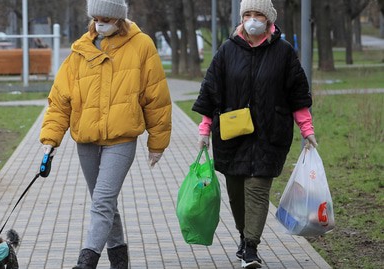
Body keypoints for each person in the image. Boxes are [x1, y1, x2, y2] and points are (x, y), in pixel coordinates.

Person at [39, 0, 172, 268]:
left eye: (106, 18)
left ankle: (86, 262)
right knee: (105, 204)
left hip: (121, 140)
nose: (100, 23)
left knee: (102, 202)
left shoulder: (142, 45)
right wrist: (50, 140)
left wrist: (157, 143)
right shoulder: (80, 50)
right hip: (86, 141)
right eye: (96, 17)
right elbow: (60, 99)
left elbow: (156, 97)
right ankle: (119, 262)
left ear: (119, 19)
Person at [192, 0, 317, 268]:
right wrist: (204, 130)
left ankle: (251, 247)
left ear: (268, 19)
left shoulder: (283, 52)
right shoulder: (227, 50)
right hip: (231, 135)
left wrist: (307, 130)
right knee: (237, 193)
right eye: (247, 14)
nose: (252, 20)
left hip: (270, 134)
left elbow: (298, 95)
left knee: (258, 190)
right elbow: (210, 91)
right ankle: (243, 234)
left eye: (257, 14)